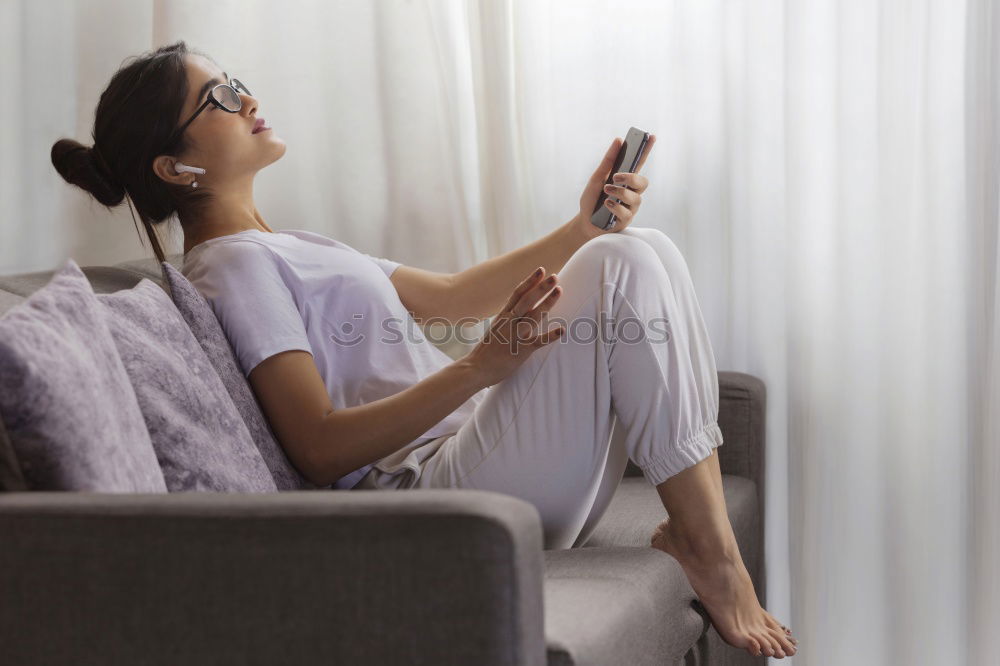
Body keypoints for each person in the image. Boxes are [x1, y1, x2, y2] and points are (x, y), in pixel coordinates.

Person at [50, 40, 797, 659]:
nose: (246, 99)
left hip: (482, 468)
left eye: (236, 82)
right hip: (433, 497)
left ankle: (700, 539)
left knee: (637, 248)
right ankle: (712, 553)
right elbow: (316, 447)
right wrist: (481, 369)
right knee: (626, 263)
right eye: (217, 98)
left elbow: (452, 297)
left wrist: (582, 225)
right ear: (175, 168)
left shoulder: (284, 246)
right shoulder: (233, 268)